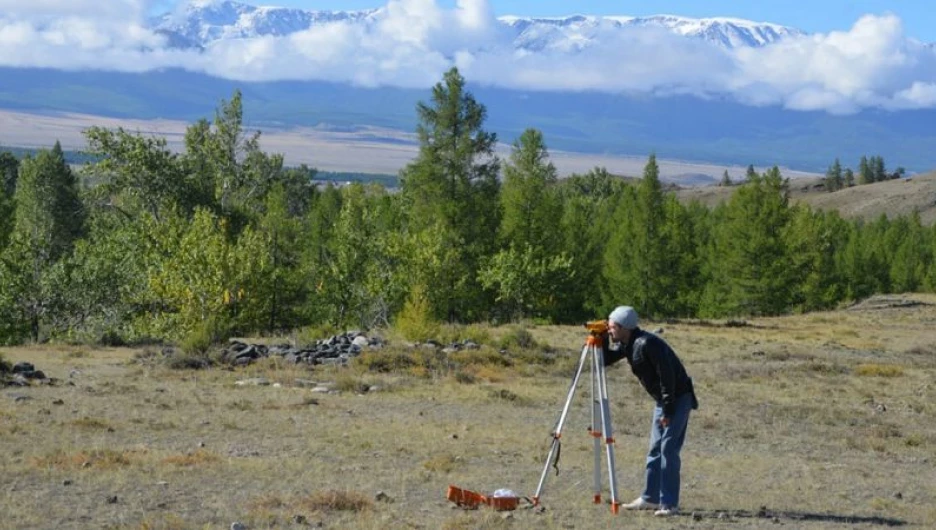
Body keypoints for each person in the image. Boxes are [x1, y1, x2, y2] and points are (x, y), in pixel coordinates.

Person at [602, 305, 698, 517]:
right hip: (663, 400)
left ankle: (669, 504)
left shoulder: (647, 344)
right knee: (655, 449)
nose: (609, 330)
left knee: (668, 450)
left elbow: (667, 378)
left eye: (611, 327)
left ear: (623, 327)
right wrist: (600, 338)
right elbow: (605, 360)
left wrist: (667, 409)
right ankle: (650, 498)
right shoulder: (628, 342)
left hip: (677, 398)